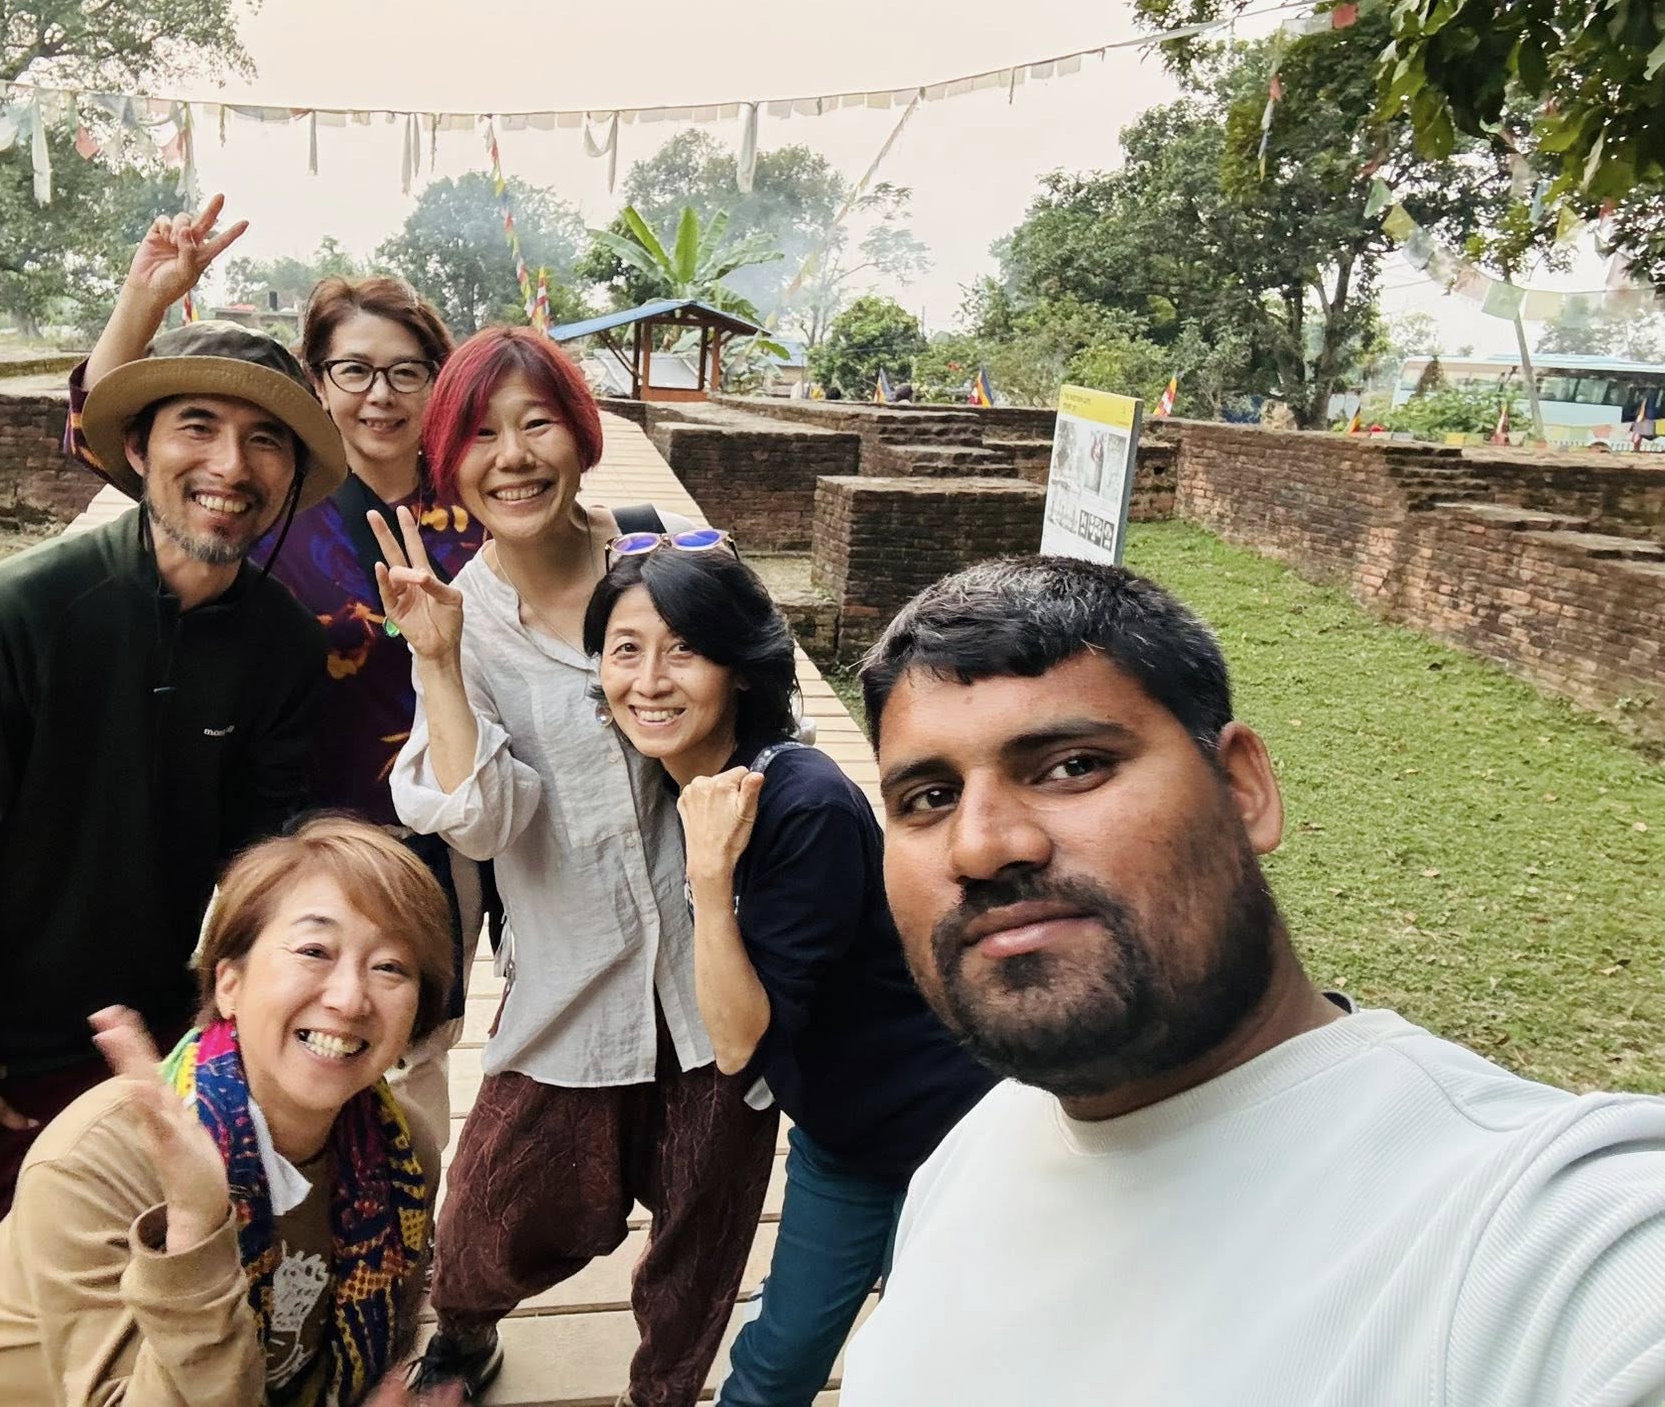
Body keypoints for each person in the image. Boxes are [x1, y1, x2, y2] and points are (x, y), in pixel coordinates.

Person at [839, 556, 1665, 1406]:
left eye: (1073, 766)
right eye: (930, 797)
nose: (982, 846)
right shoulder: (974, 1150)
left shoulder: (1536, 1230)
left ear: (1242, 788)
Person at [0, 300, 346, 1289]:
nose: (231, 466)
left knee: (134, 1288)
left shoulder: (285, 645)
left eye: (265, 440)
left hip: (139, 1026)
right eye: (197, 426)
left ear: (292, 474)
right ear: (137, 446)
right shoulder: (14, 612)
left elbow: (259, 861)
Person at [377, 327, 779, 1406]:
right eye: (480, 434)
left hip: (714, 975)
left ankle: (664, 1390)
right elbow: (476, 821)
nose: (512, 456)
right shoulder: (460, 616)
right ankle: (464, 1334)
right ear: (448, 459)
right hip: (572, 982)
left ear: (581, 433)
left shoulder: (671, 564)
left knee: (702, 1230)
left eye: (537, 423)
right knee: (488, 1215)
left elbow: (766, 716)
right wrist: (439, 663)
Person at [64, 196, 486, 1153]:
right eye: (353, 370)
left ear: (437, 382)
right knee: (280, 1031)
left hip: (434, 829)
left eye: (407, 371)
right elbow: (109, 441)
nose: (380, 396)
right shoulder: (276, 494)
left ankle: (405, 1218)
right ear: (317, 382)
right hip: (280, 819)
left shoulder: (473, 503)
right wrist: (144, 298)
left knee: (414, 1047)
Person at [0, 817, 456, 1407]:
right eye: (314, 951)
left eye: (389, 967)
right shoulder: (101, 1160)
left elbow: (359, 1350)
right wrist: (194, 1225)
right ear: (229, 984)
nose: (349, 998)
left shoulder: (401, 1156)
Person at [583, 543, 994, 1407]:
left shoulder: (804, 803)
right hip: (840, 1134)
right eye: (625, 650)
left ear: (738, 668)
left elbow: (739, 1042)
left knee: (928, 1360)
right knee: (776, 1361)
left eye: (683, 650)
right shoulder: (692, 781)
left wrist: (709, 880)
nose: (649, 680)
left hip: (948, 1138)